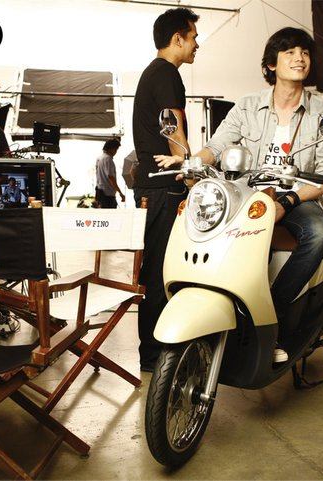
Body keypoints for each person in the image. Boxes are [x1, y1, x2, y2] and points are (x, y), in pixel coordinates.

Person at [156, 27, 323, 361]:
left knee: (317, 233)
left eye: (304, 52)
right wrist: (191, 162)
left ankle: (276, 316)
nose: (299, 58)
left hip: (299, 195)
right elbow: (217, 145)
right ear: (271, 64)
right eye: (289, 52)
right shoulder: (248, 106)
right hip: (251, 192)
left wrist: (288, 201)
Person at [132, 7, 199, 372]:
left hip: (153, 187)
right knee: (161, 270)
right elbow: (172, 129)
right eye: (193, 37)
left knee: (158, 269)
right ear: (177, 38)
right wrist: (190, 168)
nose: (196, 45)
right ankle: (154, 355)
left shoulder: (153, 73)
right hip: (163, 188)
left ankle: (154, 351)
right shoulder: (167, 74)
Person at [95, 138, 125, 208]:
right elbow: (111, 177)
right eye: (116, 149)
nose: (116, 152)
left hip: (100, 192)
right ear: (112, 149)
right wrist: (120, 193)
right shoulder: (108, 159)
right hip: (107, 195)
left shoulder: (99, 158)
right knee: (110, 213)